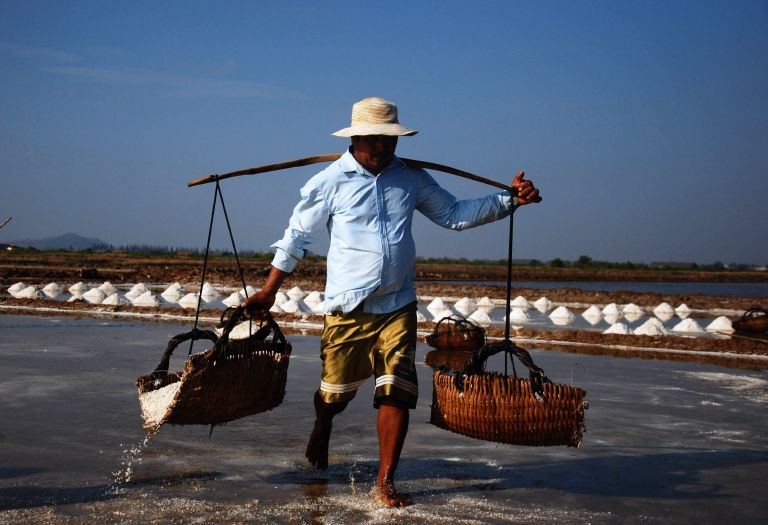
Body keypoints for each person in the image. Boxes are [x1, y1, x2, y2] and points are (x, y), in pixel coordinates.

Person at [243, 97, 540, 507]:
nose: (383, 147)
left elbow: (454, 214)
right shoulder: (329, 182)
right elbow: (296, 238)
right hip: (349, 309)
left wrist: (509, 201)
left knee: (396, 392)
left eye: (390, 139)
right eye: (374, 139)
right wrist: (268, 290)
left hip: (398, 306)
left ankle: (385, 482)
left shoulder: (410, 179)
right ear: (355, 137)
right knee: (334, 396)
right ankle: (322, 426)